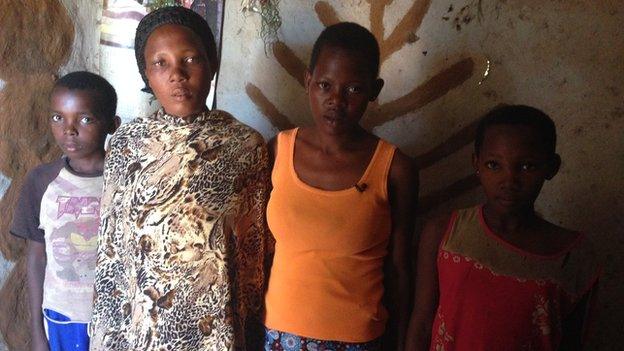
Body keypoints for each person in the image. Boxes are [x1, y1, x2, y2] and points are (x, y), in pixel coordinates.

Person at [89, 6, 270, 350]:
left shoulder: (245, 146)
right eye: (161, 63)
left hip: (215, 329)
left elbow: (253, 255)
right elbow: (113, 252)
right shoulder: (127, 144)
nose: (177, 75)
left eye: (191, 59)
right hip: (144, 332)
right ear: (146, 73)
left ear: (212, 64)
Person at [263, 22, 418, 351]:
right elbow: (259, 252)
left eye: (354, 89)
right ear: (308, 81)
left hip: (359, 341)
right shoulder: (277, 151)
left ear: (374, 90)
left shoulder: (394, 169)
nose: (336, 100)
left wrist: (403, 343)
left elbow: (400, 268)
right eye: (324, 85)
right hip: (278, 336)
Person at [406, 105, 601, 351]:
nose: (509, 181)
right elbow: (422, 324)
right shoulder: (444, 233)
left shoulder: (574, 257)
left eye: (527, 166)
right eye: (494, 165)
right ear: (476, 163)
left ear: (551, 167)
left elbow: (573, 343)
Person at [10, 71, 120, 351]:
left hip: (117, 317)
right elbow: (36, 258)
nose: (68, 129)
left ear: (112, 124)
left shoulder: (126, 182)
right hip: (61, 317)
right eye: (58, 117)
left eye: (85, 119)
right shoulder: (41, 181)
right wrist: (37, 331)